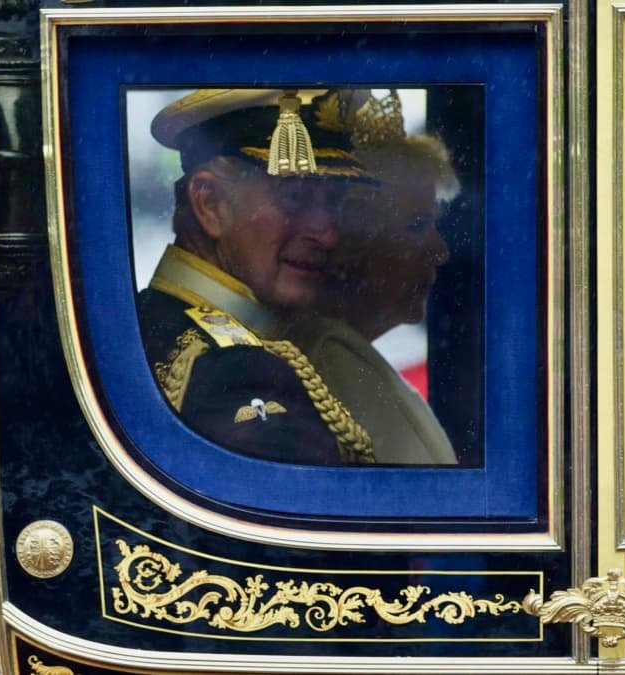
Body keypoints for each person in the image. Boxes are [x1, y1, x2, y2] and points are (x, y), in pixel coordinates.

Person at [138, 88, 376, 466]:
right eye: (295, 197)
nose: (327, 233)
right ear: (210, 204)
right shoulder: (236, 372)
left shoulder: (145, 318)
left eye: (334, 203)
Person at [286, 91, 460, 465]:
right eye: (416, 226)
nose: (440, 250)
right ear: (352, 239)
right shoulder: (331, 365)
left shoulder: (344, 358)